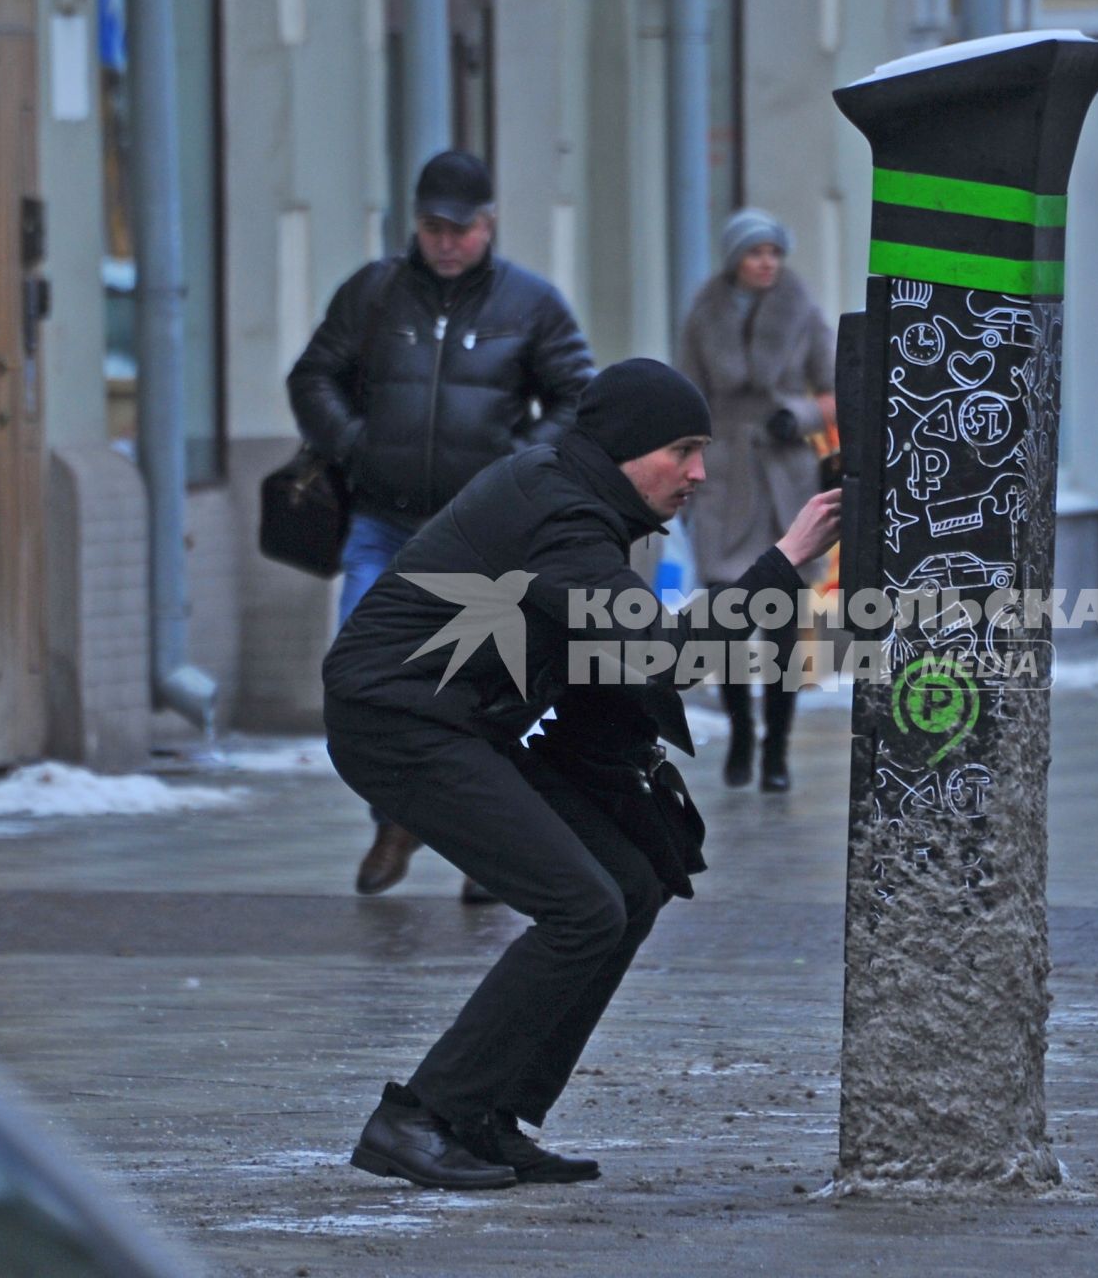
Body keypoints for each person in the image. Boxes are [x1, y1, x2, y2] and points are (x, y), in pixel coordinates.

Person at [323, 359, 841, 1190]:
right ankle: (417, 1117)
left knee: (628, 881)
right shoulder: (559, 514)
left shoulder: (583, 501)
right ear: (629, 448)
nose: (699, 473)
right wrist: (783, 562)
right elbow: (657, 655)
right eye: (684, 450)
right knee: (581, 905)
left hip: (469, 722)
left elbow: (609, 666)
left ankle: (489, 1115)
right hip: (400, 722)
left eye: (703, 450)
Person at [287, 150, 594, 897]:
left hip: (482, 536)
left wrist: (517, 463)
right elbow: (313, 375)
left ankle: (478, 846)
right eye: (433, 228)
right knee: (364, 676)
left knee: (481, 683)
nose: (448, 242)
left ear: (489, 225)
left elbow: (580, 396)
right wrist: (354, 443)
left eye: (462, 228)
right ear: (415, 226)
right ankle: (395, 817)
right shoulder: (375, 295)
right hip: (385, 523)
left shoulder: (530, 304)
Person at [677, 208, 836, 792]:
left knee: (785, 627)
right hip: (722, 482)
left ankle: (778, 750)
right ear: (734, 260)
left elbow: (836, 391)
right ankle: (742, 732)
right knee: (725, 621)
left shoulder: (803, 311)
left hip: (784, 483)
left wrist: (795, 417)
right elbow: (684, 396)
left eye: (774, 251)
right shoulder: (703, 313)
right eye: (754, 252)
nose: (767, 262)